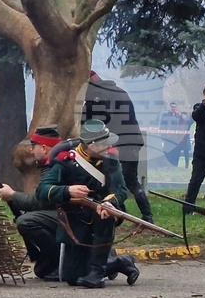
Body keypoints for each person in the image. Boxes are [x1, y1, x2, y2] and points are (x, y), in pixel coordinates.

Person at [35, 120, 140, 288]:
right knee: (72, 277)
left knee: (104, 214)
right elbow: (42, 190)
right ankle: (120, 262)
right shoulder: (66, 161)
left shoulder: (110, 160)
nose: (108, 146)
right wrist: (68, 190)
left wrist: (109, 202)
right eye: (104, 143)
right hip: (76, 220)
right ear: (92, 145)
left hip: (101, 216)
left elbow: (120, 189)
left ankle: (97, 273)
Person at [82, 71, 154, 223]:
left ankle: (122, 212)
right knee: (130, 180)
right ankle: (144, 215)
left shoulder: (97, 94)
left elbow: (100, 119)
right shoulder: (116, 91)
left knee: (110, 179)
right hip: (132, 140)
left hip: (116, 142)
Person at [0, 126, 63, 280]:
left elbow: (44, 202)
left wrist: (12, 195)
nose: (32, 151)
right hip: (65, 213)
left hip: (70, 216)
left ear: (44, 148)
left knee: (26, 222)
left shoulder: (55, 166)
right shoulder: (55, 162)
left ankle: (57, 258)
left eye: (34, 146)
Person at [159, 101, 192, 167]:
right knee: (168, 151)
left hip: (178, 138)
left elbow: (186, 122)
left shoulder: (179, 116)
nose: (173, 108)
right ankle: (168, 164)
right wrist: (163, 135)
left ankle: (175, 164)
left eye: (174, 107)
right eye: (172, 107)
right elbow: (162, 126)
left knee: (176, 152)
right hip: (169, 137)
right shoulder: (166, 115)